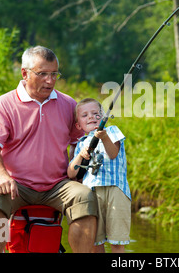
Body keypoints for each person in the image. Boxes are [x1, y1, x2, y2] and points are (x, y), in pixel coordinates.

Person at [0, 46, 97, 253]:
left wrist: (79, 171)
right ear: (25, 73)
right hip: (17, 184)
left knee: (84, 196)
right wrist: (1, 176)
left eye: (54, 74)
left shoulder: (69, 104)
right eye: (42, 74)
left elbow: (80, 143)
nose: (50, 80)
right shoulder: (4, 104)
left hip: (58, 185)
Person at [67, 98, 131, 253]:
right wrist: (80, 156)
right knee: (96, 241)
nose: (91, 117)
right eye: (85, 115)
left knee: (117, 241)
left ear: (103, 117)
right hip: (92, 193)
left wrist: (103, 137)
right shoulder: (81, 142)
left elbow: (113, 153)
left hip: (116, 189)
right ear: (78, 125)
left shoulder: (112, 131)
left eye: (95, 113)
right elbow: (71, 173)